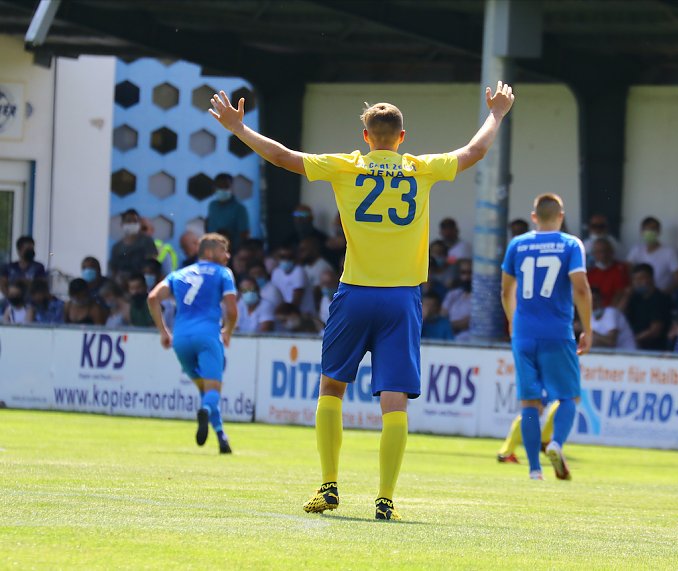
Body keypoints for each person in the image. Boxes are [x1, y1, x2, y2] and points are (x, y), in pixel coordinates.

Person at [210, 80, 514, 519]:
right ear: (402, 138)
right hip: (402, 298)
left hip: (354, 293)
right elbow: (474, 152)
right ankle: (385, 497)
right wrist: (497, 114)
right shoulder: (419, 168)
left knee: (332, 386)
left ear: (366, 138)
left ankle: (330, 486)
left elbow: (282, 156)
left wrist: (239, 129)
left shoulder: (347, 166)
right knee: (394, 400)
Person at [500, 193, 592, 481]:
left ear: (534, 216)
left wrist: (513, 322)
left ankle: (534, 470)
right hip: (557, 333)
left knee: (530, 402)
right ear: (561, 216)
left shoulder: (518, 244)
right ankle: (555, 444)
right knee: (568, 397)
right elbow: (580, 288)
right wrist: (588, 329)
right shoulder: (570, 244)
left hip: (524, 333)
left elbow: (505, 291)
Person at [147, 233, 238, 454]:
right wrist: (228, 331)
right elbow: (232, 310)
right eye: (222, 250)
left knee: (204, 389)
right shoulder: (223, 273)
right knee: (213, 389)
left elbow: (152, 298)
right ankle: (206, 410)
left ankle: (221, 437)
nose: (227, 255)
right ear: (208, 252)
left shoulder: (178, 274)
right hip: (207, 336)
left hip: (181, 339)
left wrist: (163, 331)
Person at [626, 216, 678, 296]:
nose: (650, 232)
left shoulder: (670, 252)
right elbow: (626, 270)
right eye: (647, 229)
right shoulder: (636, 250)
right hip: (639, 295)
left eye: (653, 229)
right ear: (641, 231)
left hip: (662, 296)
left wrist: (663, 293)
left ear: (659, 231)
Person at [626, 263, 672, 350]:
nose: (637, 282)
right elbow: (617, 315)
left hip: (654, 347)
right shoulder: (634, 297)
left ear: (651, 279)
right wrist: (626, 296)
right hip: (634, 344)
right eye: (635, 279)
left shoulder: (660, 298)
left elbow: (655, 331)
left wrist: (632, 341)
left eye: (641, 278)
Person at [109, 209, 158, 279]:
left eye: (135, 221)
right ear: (122, 224)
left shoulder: (147, 241)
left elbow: (152, 265)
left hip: (141, 282)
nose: (132, 223)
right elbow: (114, 271)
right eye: (129, 221)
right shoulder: (116, 247)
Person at [206, 174, 250, 249]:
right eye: (220, 187)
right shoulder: (212, 206)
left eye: (226, 186)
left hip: (232, 250)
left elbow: (244, 234)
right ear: (214, 188)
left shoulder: (239, 208)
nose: (222, 189)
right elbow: (208, 225)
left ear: (231, 188)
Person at [587, 238, 630, 308]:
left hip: (615, 310)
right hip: (595, 312)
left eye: (605, 251)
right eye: (598, 252)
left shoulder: (621, 269)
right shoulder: (590, 273)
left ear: (611, 252)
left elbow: (622, 292)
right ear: (593, 254)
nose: (602, 255)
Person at [441, 258, 473, 341]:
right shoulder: (453, 294)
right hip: (449, 337)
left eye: (470, 273)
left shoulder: (480, 297)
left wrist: (448, 326)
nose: (466, 277)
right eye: (463, 273)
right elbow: (442, 315)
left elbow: (471, 321)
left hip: (469, 338)